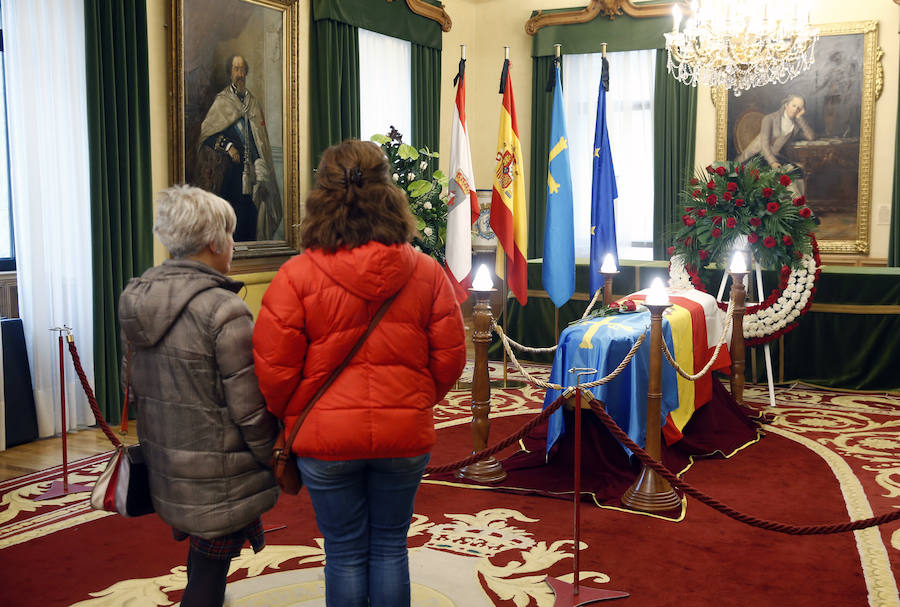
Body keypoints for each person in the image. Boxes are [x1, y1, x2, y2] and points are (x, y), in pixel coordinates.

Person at [252, 139, 467, 607]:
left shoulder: (296, 276)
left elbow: (273, 371)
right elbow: (451, 358)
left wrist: (294, 414)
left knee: (345, 553)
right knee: (390, 548)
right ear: (388, 193)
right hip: (404, 433)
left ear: (320, 196)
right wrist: (411, 398)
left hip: (326, 440)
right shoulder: (427, 273)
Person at [119, 185, 280, 607]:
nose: (233, 245)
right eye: (231, 236)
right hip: (221, 473)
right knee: (206, 580)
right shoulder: (224, 310)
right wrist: (275, 456)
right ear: (213, 242)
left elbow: (131, 384)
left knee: (204, 564)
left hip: (169, 462)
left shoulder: (137, 297)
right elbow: (249, 409)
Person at [196, 55, 283, 242]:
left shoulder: (253, 103)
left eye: (242, 69)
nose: (240, 74)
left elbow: (259, 139)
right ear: (230, 73)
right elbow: (207, 135)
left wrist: (260, 160)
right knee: (235, 216)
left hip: (252, 171)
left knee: (253, 215)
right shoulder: (222, 101)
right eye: (236, 69)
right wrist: (228, 147)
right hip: (230, 172)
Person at [736, 94, 815, 196]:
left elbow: (811, 136)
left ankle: (798, 206)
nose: (796, 109)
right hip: (758, 156)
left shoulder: (794, 125)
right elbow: (765, 144)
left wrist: (800, 118)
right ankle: (790, 205)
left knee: (798, 172)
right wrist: (773, 162)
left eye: (799, 108)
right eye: (794, 105)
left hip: (775, 155)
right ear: (786, 105)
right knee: (782, 175)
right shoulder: (770, 119)